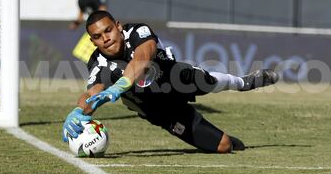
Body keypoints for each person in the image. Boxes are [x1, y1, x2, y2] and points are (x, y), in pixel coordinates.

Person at [62, 11, 279, 153]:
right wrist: (78, 111)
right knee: (223, 146)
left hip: (173, 78)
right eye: (98, 36)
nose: (105, 38)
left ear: (118, 26)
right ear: (92, 41)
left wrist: (119, 86)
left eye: (108, 30)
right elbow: (93, 91)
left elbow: (142, 59)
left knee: (207, 80)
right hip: (157, 109)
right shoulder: (97, 62)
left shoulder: (137, 31)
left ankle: (243, 82)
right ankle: (227, 140)